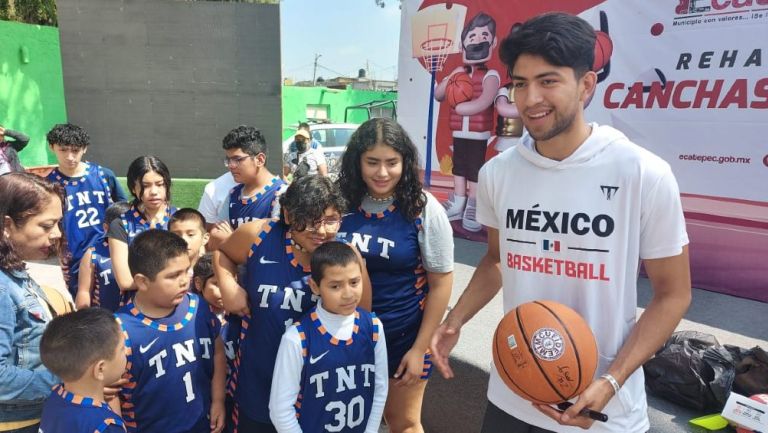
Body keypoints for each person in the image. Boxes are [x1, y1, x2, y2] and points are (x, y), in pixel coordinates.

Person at [430, 12, 692, 433]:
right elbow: (498, 260)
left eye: (548, 81)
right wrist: (454, 321)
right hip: (513, 393)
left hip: (604, 409)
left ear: (586, 85)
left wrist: (611, 380)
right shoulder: (498, 172)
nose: (530, 98)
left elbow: (673, 294)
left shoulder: (643, 172)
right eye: (519, 83)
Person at [336, 118, 454, 433]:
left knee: (403, 423)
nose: (382, 172)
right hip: (340, 338)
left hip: (403, 338)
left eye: (392, 162)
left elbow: (441, 283)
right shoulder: (338, 203)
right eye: (372, 162)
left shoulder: (422, 207)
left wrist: (420, 348)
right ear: (357, 161)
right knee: (354, 422)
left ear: (405, 161)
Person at [214, 175, 355, 432]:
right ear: (288, 215)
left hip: (315, 387)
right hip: (258, 379)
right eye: (310, 221)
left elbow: (361, 319)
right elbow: (222, 253)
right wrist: (229, 286)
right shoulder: (258, 234)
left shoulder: (345, 256)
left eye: (331, 220)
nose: (322, 230)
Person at [269, 242, 388, 433]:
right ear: (315, 287)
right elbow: (280, 410)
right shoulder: (297, 338)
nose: (348, 294)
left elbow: (379, 390)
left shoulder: (374, 327)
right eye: (335, 286)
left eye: (354, 282)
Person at [116, 229, 226, 433]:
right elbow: (111, 391)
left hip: (203, 424)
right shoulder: (120, 331)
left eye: (186, 270)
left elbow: (218, 350)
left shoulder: (198, 306)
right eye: (173, 275)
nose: (185, 280)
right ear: (142, 281)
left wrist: (218, 399)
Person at [0, 173, 63, 433]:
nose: (57, 234)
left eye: (58, 224)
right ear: (7, 225)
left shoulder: (13, 273)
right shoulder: (2, 288)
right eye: (46, 226)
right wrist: (69, 379)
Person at [434, 12, 501, 232]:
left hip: (477, 134)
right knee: (459, 168)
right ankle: (458, 201)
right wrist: (452, 76)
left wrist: (464, 108)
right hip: (458, 133)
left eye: (483, 35)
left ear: (493, 42)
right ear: (463, 45)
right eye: (471, 37)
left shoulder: (490, 75)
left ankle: (473, 204)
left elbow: (484, 101)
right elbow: (439, 93)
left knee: (474, 171)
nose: (477, 40)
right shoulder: (459, 72)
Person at [45, 123, 127, 298]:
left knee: (114, 297)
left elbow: (123, 208)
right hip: (73, 254)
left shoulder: (103, 175)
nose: (70, 156)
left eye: (75, 150)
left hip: (107, 251)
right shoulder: (49, 184)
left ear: (85, 149)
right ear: (52, 147)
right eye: (63, 150)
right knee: (82, 303)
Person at [38, 308, 127, 433]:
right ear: (100, 369)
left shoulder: (55, 396)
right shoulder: (106, 425)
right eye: (122, 348)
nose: (127, 351)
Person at [210, 126, 286, 250]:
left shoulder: (281, 194)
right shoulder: (233, 195)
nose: (230, 166)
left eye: (237, 159)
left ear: (260, 160)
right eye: (228, 160)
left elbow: (273, 246)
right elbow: (214, 240)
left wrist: (232, 238)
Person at [107, 156, 176, 292]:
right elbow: (125, 281)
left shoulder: (180, 218)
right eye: (145, 186)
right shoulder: (120, 225)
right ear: (133, 188)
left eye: (160, 184)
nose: (154, 191)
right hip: (138, 303)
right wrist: (168, 281)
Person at [193, 254, 240, 433]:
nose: (225, 290)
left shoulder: (242, 315)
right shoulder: (193, 319)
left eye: (230, 282)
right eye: (216, 284)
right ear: (198, 284)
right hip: (204, 398)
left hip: (235, 397)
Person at [75, 201, 132, 311]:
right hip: (106, 319)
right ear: (106, 228)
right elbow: (84, 291)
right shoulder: (94, 254)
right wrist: (83, 318)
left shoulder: (141, 250)